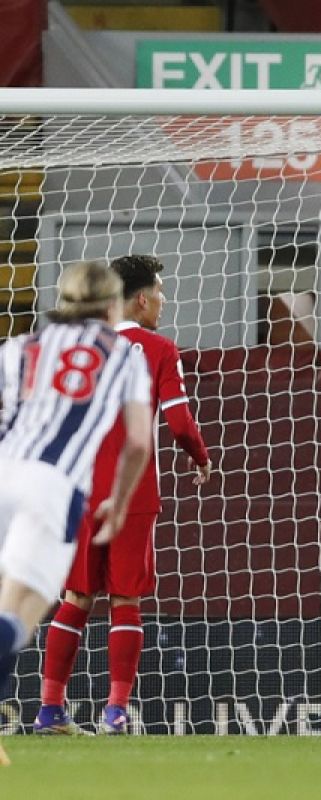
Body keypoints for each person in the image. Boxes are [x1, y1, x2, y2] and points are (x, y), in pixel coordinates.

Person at [33, 255, 211, 736]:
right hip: (132, 491)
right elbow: (178, 422)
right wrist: (201, 457)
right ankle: (115, 712)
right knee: (126, 599)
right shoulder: (158, 349)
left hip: (78, 488)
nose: (165, 301)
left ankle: (50, 710)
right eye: (162, 292)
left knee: (75, 596)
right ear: (142, 298)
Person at [0, 261, 152, 764]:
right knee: (19, 617)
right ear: (114, 305)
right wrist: (121, 499)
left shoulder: (19, 347)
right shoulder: (122, 354)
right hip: (53, 488)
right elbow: (137, 441)